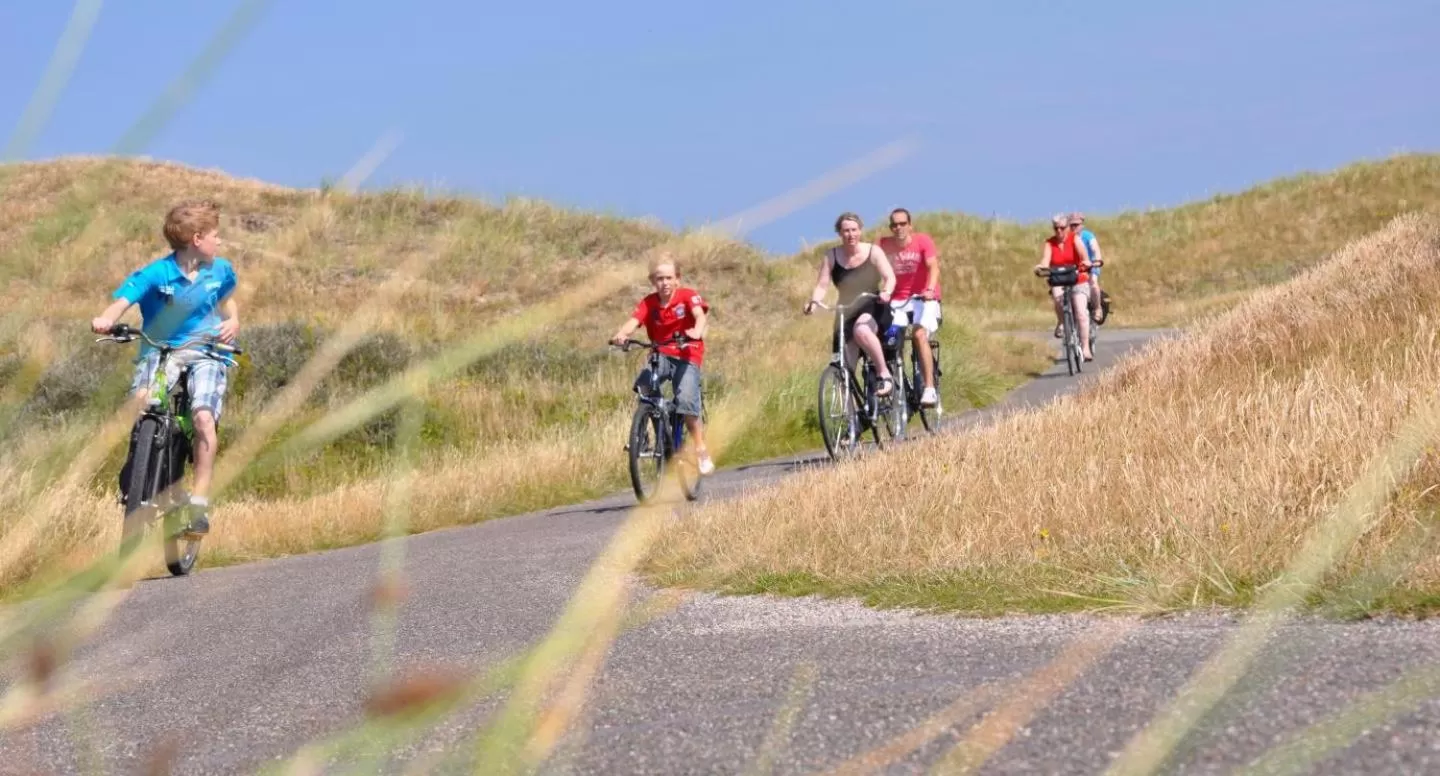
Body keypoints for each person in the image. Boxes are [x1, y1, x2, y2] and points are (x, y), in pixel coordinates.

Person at [90, 199, 240, 537]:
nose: (220, 242)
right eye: (215, 235)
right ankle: (140, 469)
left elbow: (226, 297)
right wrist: (106, 320)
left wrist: (234, 320)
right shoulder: (157, 273)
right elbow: (123, 301)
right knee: (140, 401)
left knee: (203, 418)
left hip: (206, 352)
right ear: (196, 239)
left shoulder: (221, 269)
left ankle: (199, 505)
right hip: (162, 352)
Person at [609, 252, 715, 475]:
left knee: (686, 399)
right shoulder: (649, 303)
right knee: (645, 386)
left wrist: (696, 331)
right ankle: (652, 437)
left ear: (677, 278)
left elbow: (700, 316)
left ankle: (700, 448)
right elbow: (634, 321)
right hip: (661, 354)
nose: (664, 283)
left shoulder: (687, 296)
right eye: (659, 279)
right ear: (652, 281)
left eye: (669, 278)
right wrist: (621, 334)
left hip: (687, 354)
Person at [803, 211, 897, 396]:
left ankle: (884, 374)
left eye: (854, 230)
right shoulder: (831, 255)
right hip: (845, 309)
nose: (850, 234)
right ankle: (850, 417)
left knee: (861, 330)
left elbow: (890, 277)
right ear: (839, 233)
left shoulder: (873, 251)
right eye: (846, 231)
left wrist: (886, 292)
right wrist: (814, 302)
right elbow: (822, 285)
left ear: (860, 230)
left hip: (873, 303)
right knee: (844, 365)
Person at [878, 207, 941, 407]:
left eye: (902, 224)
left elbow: (933, 267)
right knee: (891, 338)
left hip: (924, 299)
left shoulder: (922, 241)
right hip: (897, 301)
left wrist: (929, 289)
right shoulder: (883, 244)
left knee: (919, 335)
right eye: (894, 225)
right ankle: (895, 382)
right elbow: (870, 265)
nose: (898, 228)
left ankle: (929, 388)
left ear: (910, 225)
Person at [1034, 213, 1094, 361]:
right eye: (1056, 228)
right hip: (1059, 278)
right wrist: (1041, 267)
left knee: (1081, 312)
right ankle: (1061, 321)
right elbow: (1046, 260)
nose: (1059, 231)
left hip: (1077, 277)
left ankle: (1085, 347)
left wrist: (1086, 263)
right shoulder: (1050, 243)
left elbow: (1084, 257)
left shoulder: (1075, 239)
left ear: (1067, 228)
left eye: (1062, 228)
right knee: (1057, 297)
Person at [1068, 212, 1107, 324]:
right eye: (1071, 225)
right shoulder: (1067, 238)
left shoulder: (1088, 236)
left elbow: (1095, 249)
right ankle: (1063, 319)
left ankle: (1097, 308)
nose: (1074, 227)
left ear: (1082, 225)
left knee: (1093, 283)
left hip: (1090, 266)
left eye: (1077, 224)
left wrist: (1096, 260)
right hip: (1074, 268)